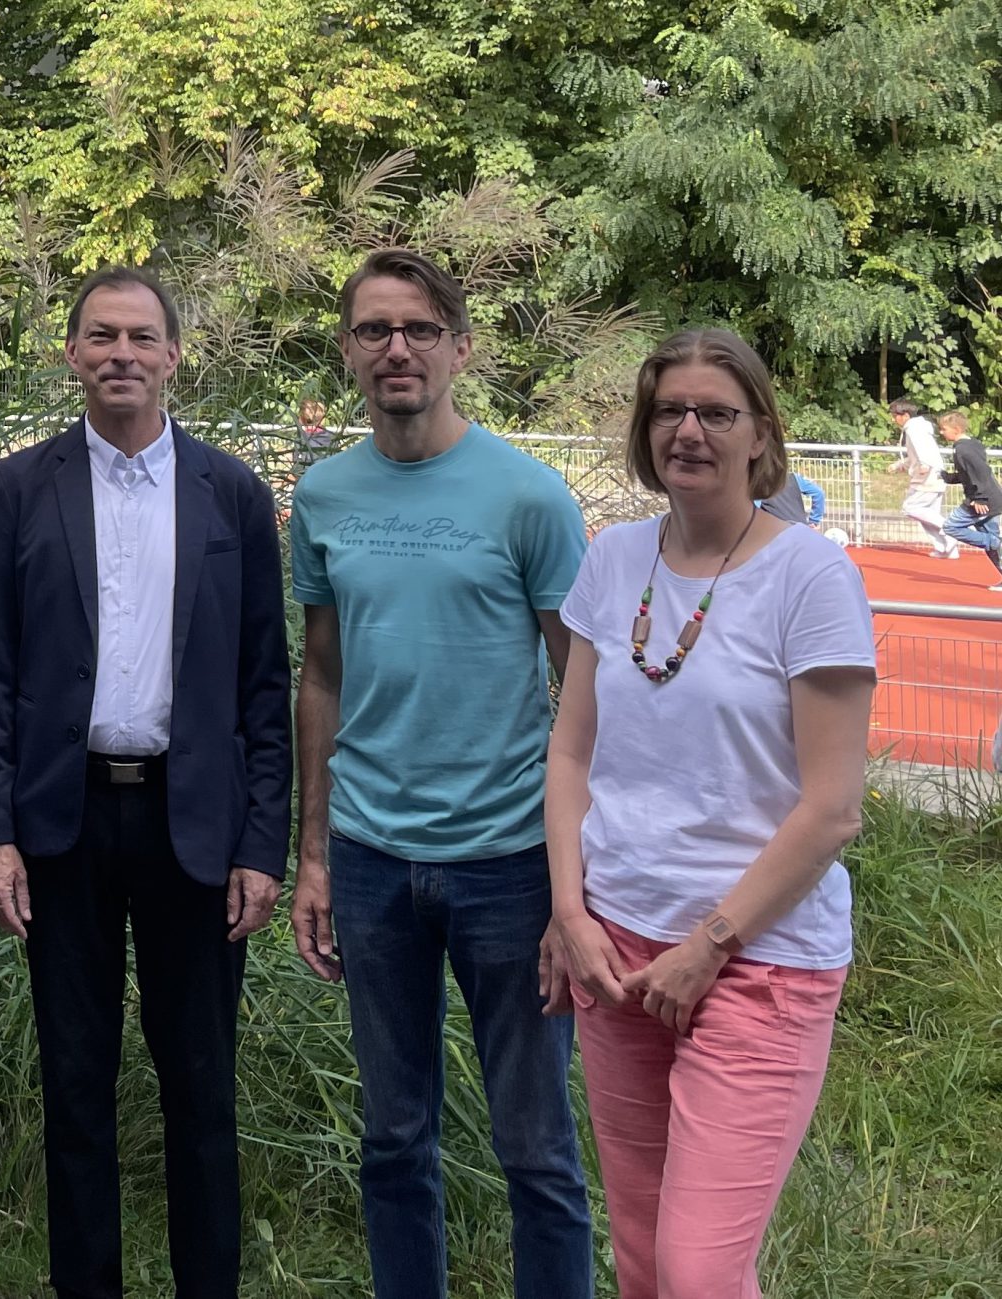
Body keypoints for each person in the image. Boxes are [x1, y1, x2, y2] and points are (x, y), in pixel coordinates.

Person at [0, 267, 293, 1299]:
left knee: (201, 1089)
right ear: (70, 353)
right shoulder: (23, 486)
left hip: (194, 826)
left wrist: (262, 844)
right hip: (61, 824)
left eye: (141, 337)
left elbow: (265, 683)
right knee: (75, 1086)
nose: (121, 354)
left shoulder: (231, 493)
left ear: (173, 356)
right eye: (101, 335)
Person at [285, 250, 593, 1299]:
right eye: (374, 329)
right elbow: (321, 676)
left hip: (510, 863)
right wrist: (314, 855)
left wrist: (574, 887)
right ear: (347, 351)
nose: (397, 348)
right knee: (392, 1138)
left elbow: (582, 696)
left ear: (460, 347)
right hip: (371, 862)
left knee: (536, 1148)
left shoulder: (529, 497)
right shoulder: (323, 494)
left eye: (419, 328)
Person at [542, 327, 875, 1297]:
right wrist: (568, 911)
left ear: (761, 433)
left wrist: (710, 944)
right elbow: (571, 751)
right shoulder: (613, 559)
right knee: (643, 1260)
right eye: (668, 411)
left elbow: (832, 807)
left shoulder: (809, 577)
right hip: (615, 948)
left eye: (716, 413)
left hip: (756, 960)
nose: (688, 431)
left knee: (698, 1272)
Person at [936, 410, 1002, 589]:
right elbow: (969, 473)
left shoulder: (962, 449)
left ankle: (993, 542)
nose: (941, 432)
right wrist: (949, 477)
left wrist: (980, 498)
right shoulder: (973, 444)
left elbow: (981, 472)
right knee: (991, 540)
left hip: (983, 500)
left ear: (956, 429)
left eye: (944, 429)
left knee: (951, 526)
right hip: (991, 497)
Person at [889, 400, 957, 558]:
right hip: (932, 475)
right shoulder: (917, 428)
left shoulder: (914, 429)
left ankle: (950, 531)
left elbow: (924, 450)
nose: (893, 419)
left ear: (905, 415)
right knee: (928, 515)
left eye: (895, 415)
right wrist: (900, 465)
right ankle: (947, 549)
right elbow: (916, 454)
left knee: (910, 508)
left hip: (928, 477)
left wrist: (925, 465)